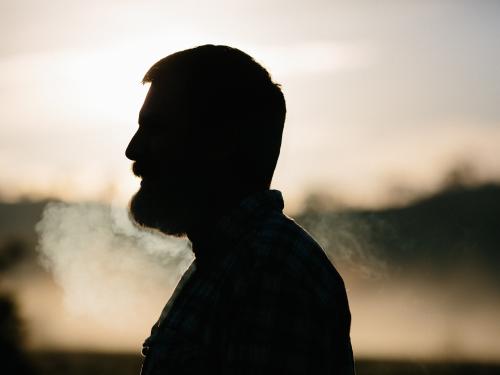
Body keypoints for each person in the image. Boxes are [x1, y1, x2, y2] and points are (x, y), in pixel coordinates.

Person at [125, 44, 355, 374]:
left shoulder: (268, 272)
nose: (133, 150)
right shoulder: (228, 262)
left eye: (156, 128)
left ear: (221, 141)